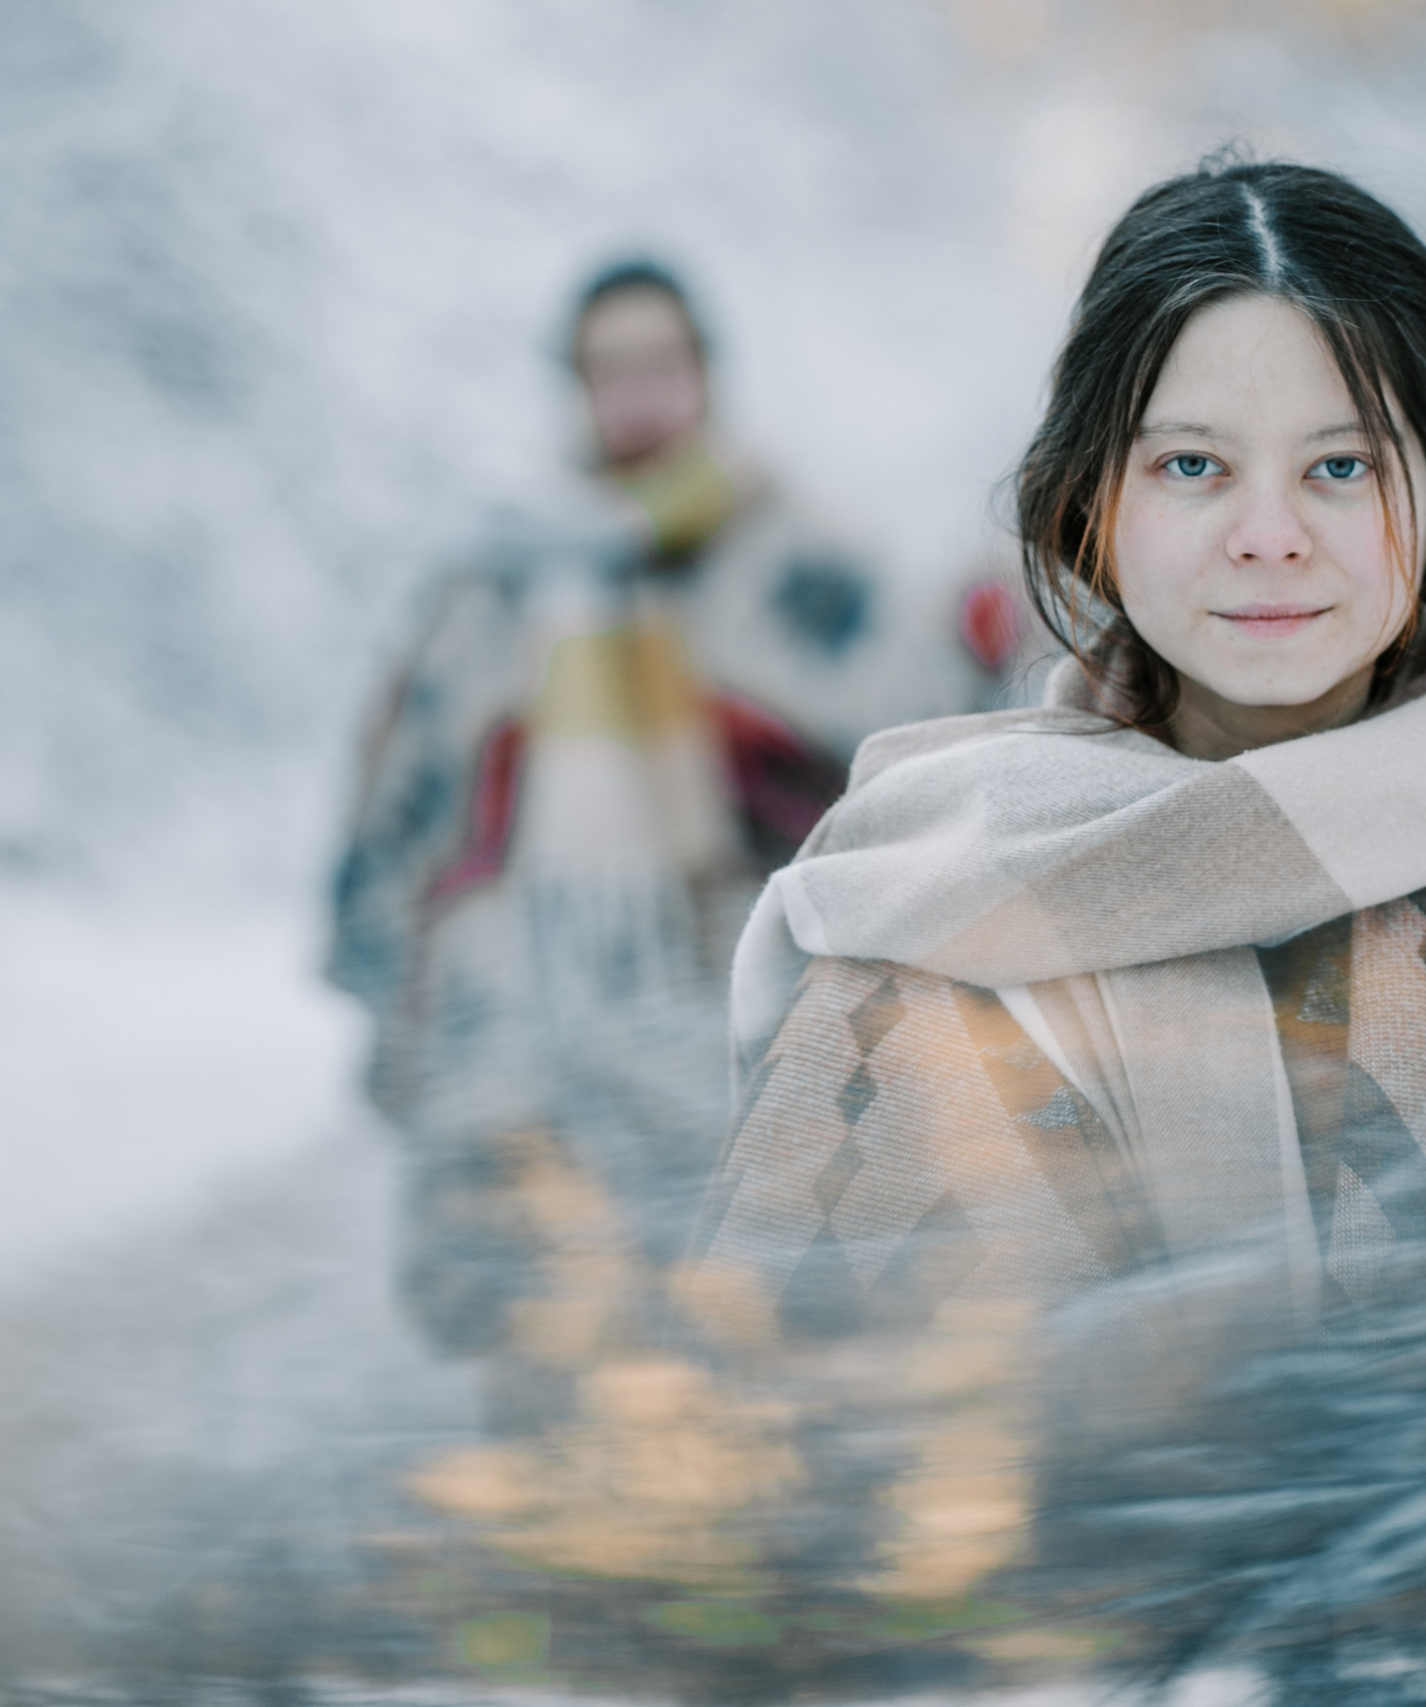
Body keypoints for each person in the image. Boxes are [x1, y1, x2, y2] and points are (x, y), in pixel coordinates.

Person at [433, 168, 1426, 1700]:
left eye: (1340, 464)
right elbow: (764, 1541)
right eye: (1193, 465)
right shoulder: (919, 927)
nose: (1270, 531)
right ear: (1091, 505)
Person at [328, 259, 1017, 1432]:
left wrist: (983, 630)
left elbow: (907, 711)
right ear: (577, 389)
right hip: (532, 998)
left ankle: (789, 1447)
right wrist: (394, 951)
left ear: (702, 377)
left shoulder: (792, 552)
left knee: (781, 1322)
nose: (637, 395)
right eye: (611, 371)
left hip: (738, 962)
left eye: (659, 366)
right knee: (549, 1331)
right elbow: (409, 779)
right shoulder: (499, 583)